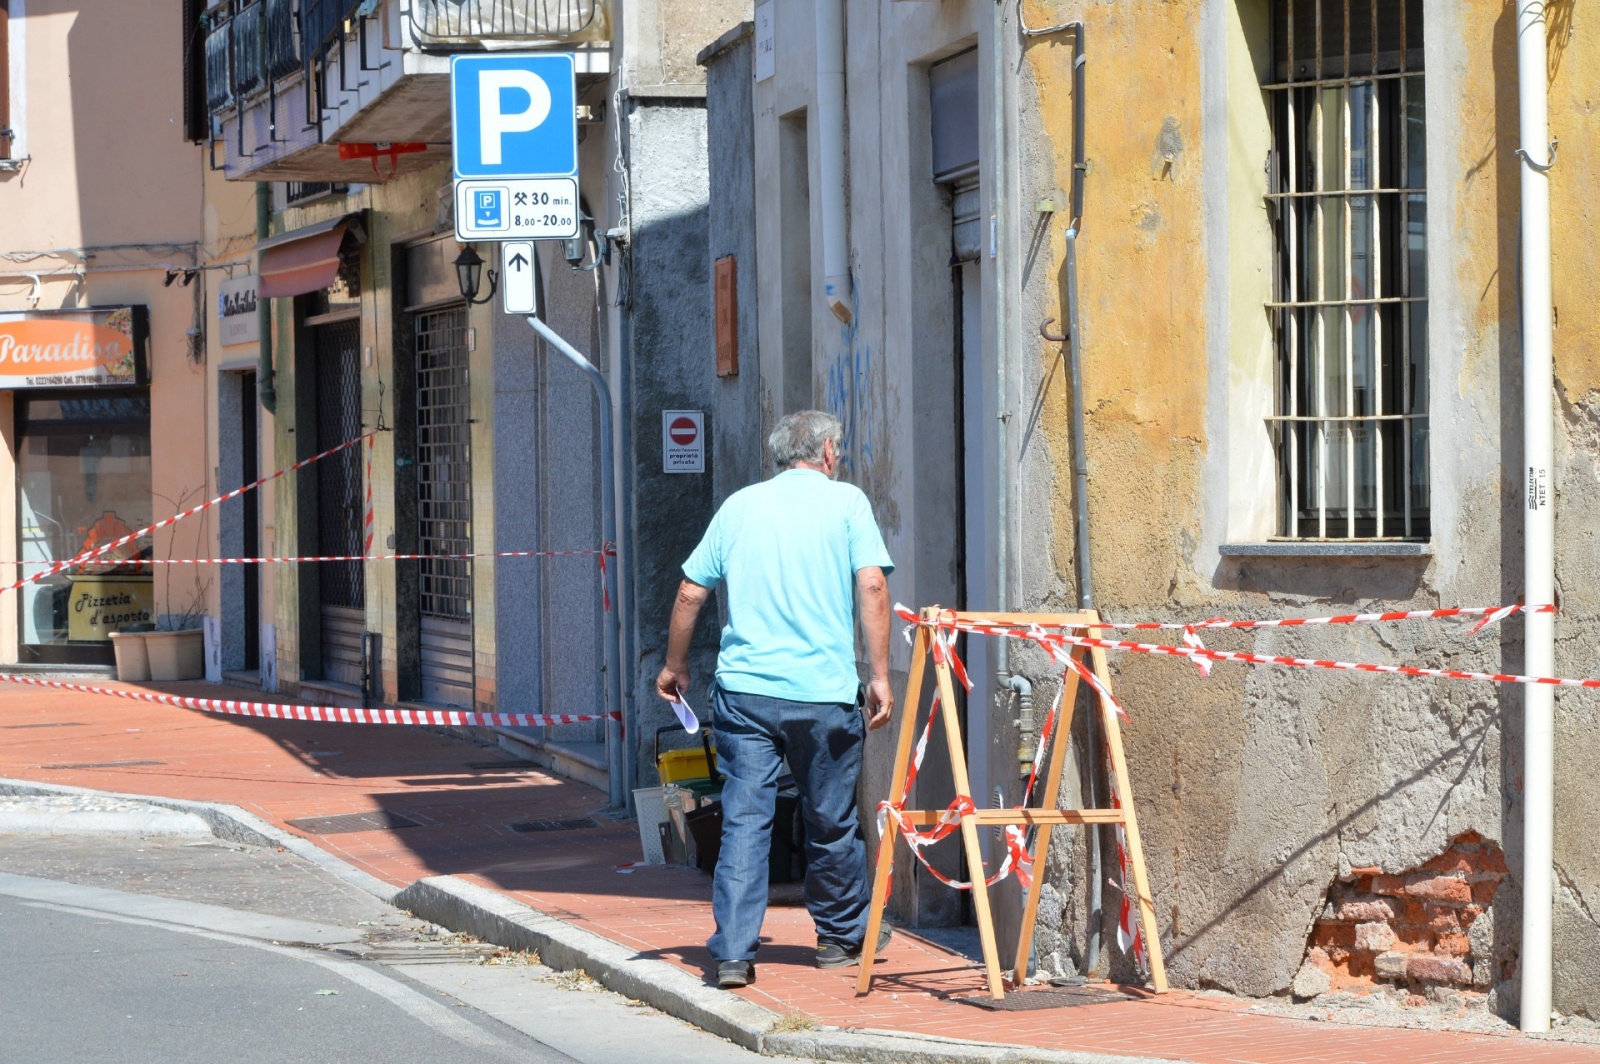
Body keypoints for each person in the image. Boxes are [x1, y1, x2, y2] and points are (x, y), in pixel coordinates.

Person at [656, 410, 895, 989]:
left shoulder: (740, 506)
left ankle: (735, 953)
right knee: (830, 819)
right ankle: (838, 938)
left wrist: (675, 665)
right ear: (828, 452)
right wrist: (881, 675)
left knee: (743, 821)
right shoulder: (846, 504)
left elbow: (691, 591)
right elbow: (872, 583)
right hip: (824, 695)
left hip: (746, 693)